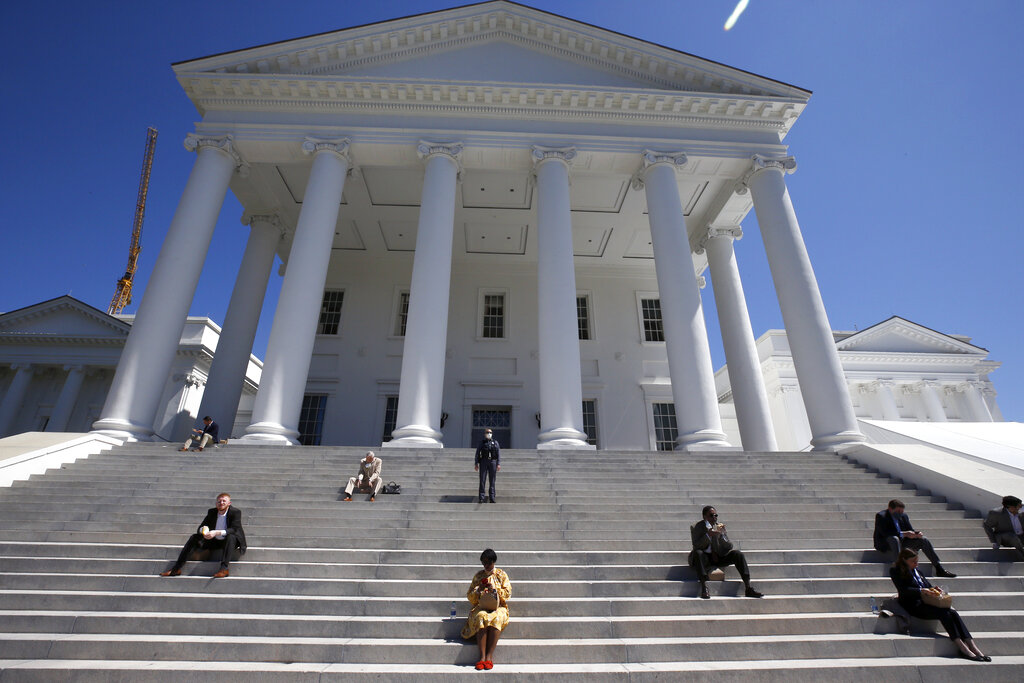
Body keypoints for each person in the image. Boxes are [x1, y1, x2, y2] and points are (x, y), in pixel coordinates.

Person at [889, 548, 989, 661]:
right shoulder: (896, 571)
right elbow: (903, 590)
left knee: (952, 612)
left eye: (917, 561)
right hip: (912, 605)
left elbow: (927, 585)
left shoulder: (918, 571)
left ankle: (972, 646)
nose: (916, 564)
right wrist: (922, 591)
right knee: (944, 613)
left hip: (925, 602)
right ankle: (962, 647)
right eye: (913, 562)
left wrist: (933, 589)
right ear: (904, 560)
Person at [160, 492, 246, 578]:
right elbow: (200, 528)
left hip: (229, 541)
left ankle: (224, 569)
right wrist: (204, 532)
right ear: (216, 503)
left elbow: (235, 529)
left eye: (224, 501)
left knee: (231, 537)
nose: (221, 503)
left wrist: (216, 532)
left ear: (229, 503)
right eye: (219, 501)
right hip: (214, 541)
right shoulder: (212, 512)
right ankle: (176, 569)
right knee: (194, 537)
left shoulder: (235, 512)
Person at [689, 505, 763, 599]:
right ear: (705, 517)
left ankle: (748, 587)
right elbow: (696, 545)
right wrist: (708, 535)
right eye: (711, 515)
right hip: (704, 557)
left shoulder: (718, 527)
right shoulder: (697, 527)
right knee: (698, 553)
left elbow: (729, 547)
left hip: (718, 556)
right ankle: (704, 587)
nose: (714, 518)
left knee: (738, 554)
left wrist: (722, 535)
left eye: (716, 515)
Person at [873, 499, 956, 577]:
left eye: (901, 511)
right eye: (898, 511)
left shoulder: (903, 516)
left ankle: (939, 568)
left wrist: (916, 534)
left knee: (924, 540)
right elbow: (885, 533)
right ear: (890, 509)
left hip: (902, 543)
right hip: (886, 543)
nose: (900, 513)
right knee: (894, 538)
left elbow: (910, 529)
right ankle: (899, 569)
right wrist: (903, 534)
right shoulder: (881, 516)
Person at [461, 548, 511, 670]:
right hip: (481, 606)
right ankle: (482, 657)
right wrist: (478, 589)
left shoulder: (501, 575)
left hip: (498, 606)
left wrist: (495, 589)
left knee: (497, 617)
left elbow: (508, 593)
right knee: (481, 616)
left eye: (488, 563)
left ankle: (489, 657)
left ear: (494, 561)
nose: (486, 565)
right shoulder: (478, 576)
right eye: (484, 563)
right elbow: (470, 597)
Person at [983, 495, 1024, 559]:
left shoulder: (1022, 512)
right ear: (1011, 507)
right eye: (1019, 506)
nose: (1021, 508)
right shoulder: (996, 513)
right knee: (1012, 536)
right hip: (1006, 538)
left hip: (1021, 537)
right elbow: (987, 525)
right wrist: (994, 541)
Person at [474, 428, 500, 503]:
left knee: (492, 481)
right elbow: (477, 453)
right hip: (483, 462)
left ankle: (492, 497)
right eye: (487, 432)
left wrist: (498, 464)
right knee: (482, 480)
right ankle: (481, 497)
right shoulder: (482, 443)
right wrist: (476, 463)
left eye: (490, 432)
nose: (489, 433)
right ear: (485, 434)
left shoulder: (495, 442)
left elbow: (498, 454)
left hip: (493, 462)